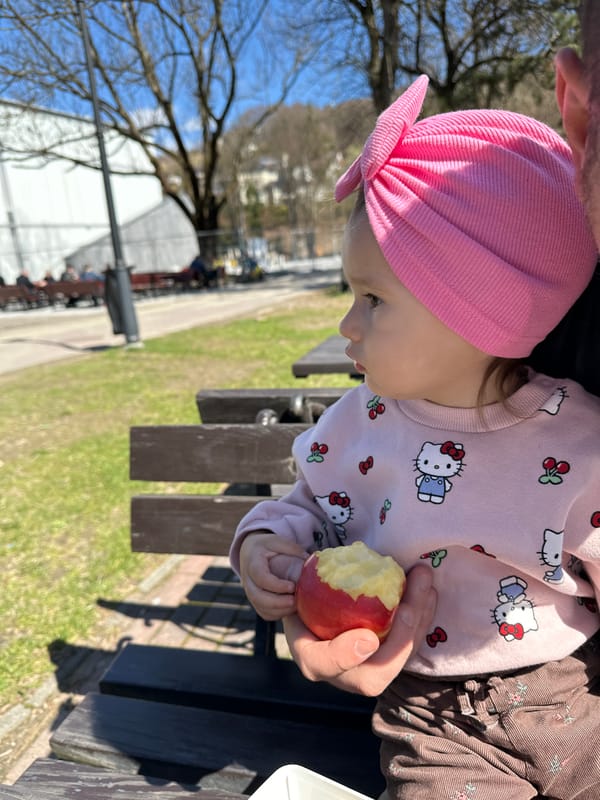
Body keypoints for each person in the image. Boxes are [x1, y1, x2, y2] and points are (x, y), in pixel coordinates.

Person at [230, 75, 600, 799]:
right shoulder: (361, 420)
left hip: (574, 696)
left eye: (373, 299)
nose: (346, 326)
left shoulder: (582, 439)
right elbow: (304, 505)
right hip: (432, 721)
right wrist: (261, 549)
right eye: (349, 295)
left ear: (478, 312)